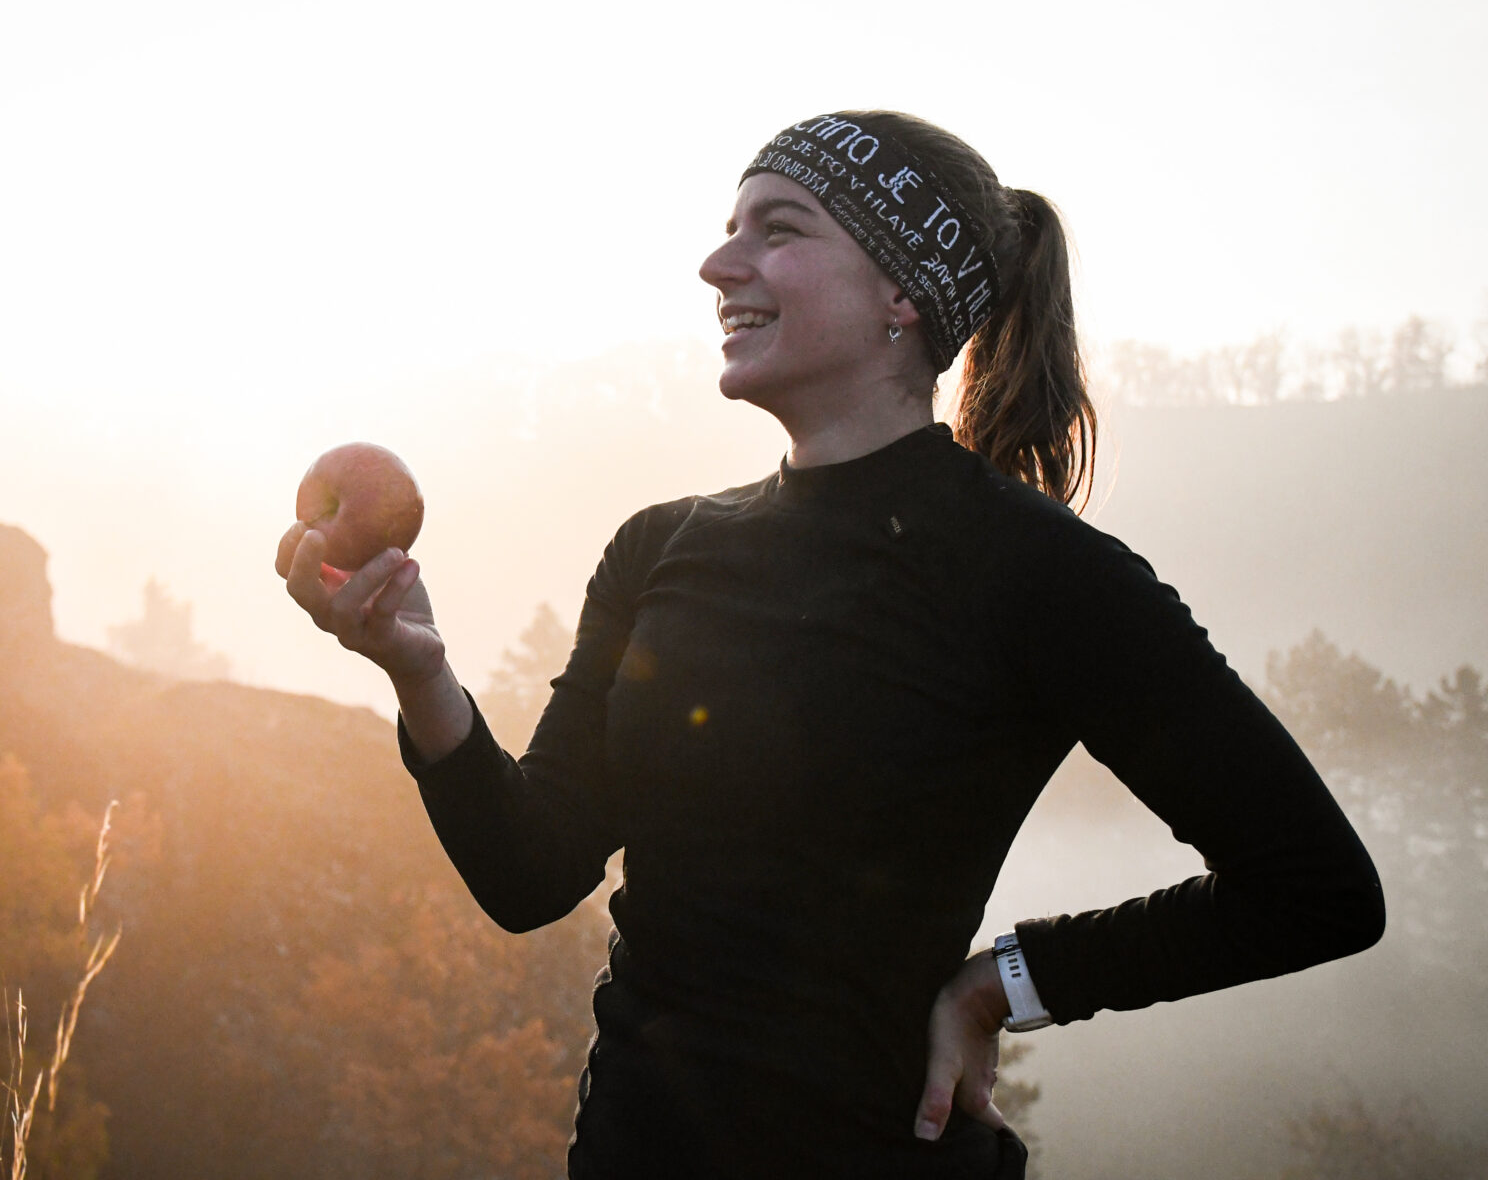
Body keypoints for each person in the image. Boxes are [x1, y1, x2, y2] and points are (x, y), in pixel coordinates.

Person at [277, 110, 1385, 1178]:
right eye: (730, 225)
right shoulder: (659, 546)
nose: (720, 263)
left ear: (903, 292)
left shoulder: (1042, 572)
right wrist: (417, 669)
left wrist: (1010, 979)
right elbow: (532, 869)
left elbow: (1316, 886)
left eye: (779, 226)